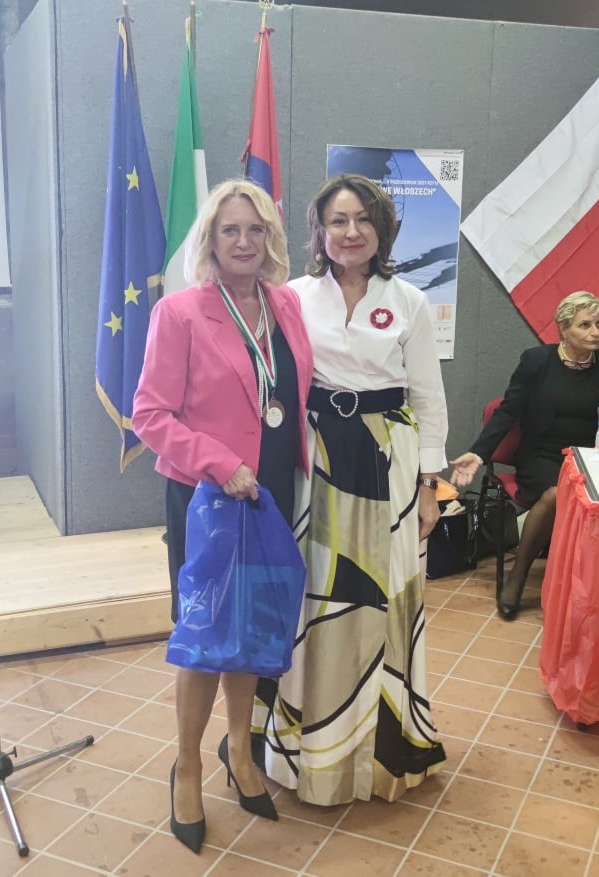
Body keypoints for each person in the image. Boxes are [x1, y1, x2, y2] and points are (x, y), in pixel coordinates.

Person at [253, 173, 448, 806]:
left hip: (388, 460)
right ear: (319, 231)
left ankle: (384, 752)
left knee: (386, 596)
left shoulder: (409, 301)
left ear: (382, 229)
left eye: (363, 219)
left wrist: (430, 486)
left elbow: (429, 399)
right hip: (315, 459)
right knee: (317, 599)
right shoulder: (291, 297)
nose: (351, 231)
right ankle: (309, 750)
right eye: (338, 220)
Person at [132, 179, 313, 853]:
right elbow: (149, 414)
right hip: (209, 497)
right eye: (230, 230)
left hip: (272, 492)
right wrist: (218, 462)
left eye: (255, 229)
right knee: (206, 635)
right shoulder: (179, 312)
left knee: (254, 628)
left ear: (270, 237)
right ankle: (185, 765)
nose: (243, 242)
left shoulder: (287, 304)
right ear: (209, 239)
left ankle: (238, 749)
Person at [450, 291, 599, 621]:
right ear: (564, 328)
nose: (596, 332)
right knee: (556, 494)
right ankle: (518, 576)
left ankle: (591, 588)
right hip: (542, 456)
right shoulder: (537, 361)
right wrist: (479, 454)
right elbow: (507, 412)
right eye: (585, 325)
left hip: (590, 457)